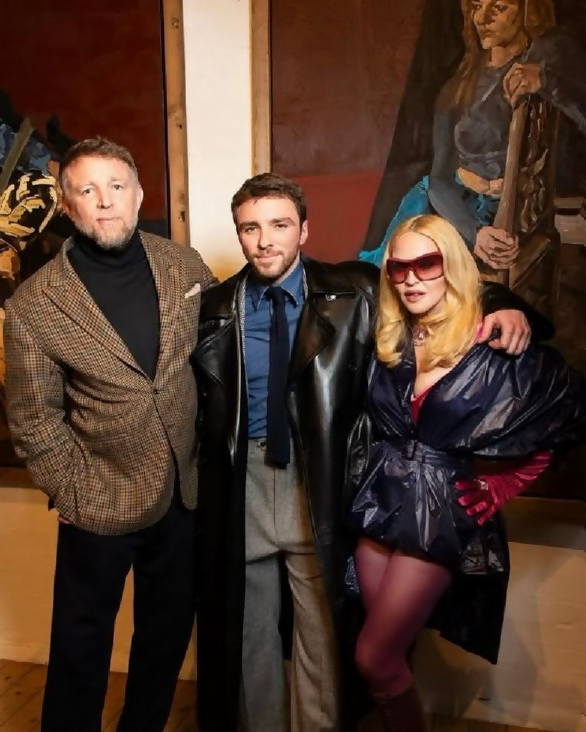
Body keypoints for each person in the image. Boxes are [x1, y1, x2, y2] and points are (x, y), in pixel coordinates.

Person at [191, 172, 546, 732]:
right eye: (250, 228)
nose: (265, 240)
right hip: (243, 479)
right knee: (248, 627)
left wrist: (502, 303)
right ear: (238, 233)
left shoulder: (353, 289)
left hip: (321, 476)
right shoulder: (214, 307)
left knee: (322, 629)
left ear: (304, 230)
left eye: (279, 225)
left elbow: (428, 288)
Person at [3, 137, 216, 731]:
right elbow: (33, 419)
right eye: (87, 190)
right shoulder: (35, 305)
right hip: (97, 500)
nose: (105, 201)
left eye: (116, 186)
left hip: (181, 494)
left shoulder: (184, 266)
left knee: (165, 639)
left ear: (138, 194)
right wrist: (74, 493)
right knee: (80, 653)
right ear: (67, 205)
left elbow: (223, 347)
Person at [347, 214, 585, 730]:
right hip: (378, 502)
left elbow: (570, 410)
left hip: (437, 514)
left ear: (451, 264)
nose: (411, 278)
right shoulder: (389, 336)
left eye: (426, 263)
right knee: (392, 651)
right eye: (399, 267)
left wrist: (504, 482)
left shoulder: (490, 336)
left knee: (374, 658)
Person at [359, 0, 586, 270]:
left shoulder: (546, 59)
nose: (483, 18)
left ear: (528, 11)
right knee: (394, 270)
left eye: (498, 7)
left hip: (515, 213)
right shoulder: (457, 88)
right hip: (451, 206)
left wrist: (546, 80)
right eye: (477, 6)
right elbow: (438, 179)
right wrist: (475, 232)